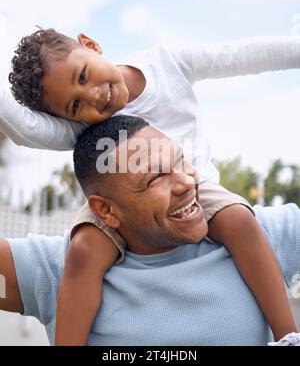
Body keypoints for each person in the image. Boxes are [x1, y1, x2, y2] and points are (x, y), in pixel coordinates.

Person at [6, 29, 300, 345]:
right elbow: (24, 128)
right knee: (83, 251)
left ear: (92, 45)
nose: (92, 95)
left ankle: (287, 335)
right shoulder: (83, 124)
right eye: (75, 105)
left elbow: (243, 53)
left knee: (240, 221)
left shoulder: (167, 64)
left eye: (83, 75)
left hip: (198, 184)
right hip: (122, 202)